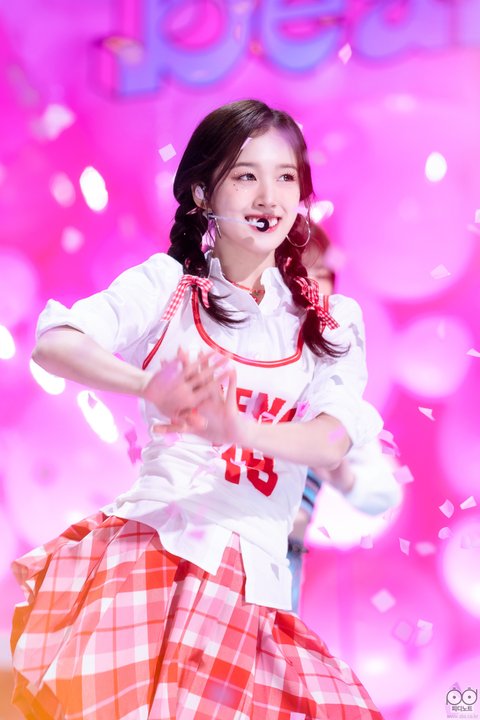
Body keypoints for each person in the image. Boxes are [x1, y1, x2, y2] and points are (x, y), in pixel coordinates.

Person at [11, 99, 385, 720]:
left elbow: (332, 439)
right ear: (202, 192)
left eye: (285, 177)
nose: (268, 196)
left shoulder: (331, 321)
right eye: (245, 175)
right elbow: (54, 342)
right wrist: (148, 386)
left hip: (257, 585)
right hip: (155, 560)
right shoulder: (166, 286)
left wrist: (236, 427)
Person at [287, 224, 402, 612]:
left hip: (283, 561)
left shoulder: (332, 380)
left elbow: (383, 493)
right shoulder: (242, 352)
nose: (311, 287)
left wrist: (340, 473)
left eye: (322, 275)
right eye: (298, 274)